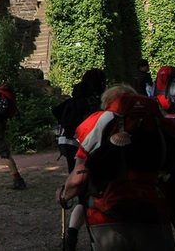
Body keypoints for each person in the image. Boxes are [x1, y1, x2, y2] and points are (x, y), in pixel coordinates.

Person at [59, 84, 175, 251]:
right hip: (155, 212)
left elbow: (79, 176)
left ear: (108, 102)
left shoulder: (98, 122)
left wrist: (64, 195)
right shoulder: (160, 123)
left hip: (108, 216)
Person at [52, 68, 106, 250]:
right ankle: (86, 235)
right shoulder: (94, 99)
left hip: (66, 142)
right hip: (84, 143)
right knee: (90, 190)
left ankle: (71, 237)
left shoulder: (77, 94)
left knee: (82, 188)